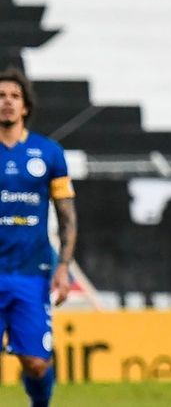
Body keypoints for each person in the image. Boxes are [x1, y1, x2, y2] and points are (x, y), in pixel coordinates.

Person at [0, 68, 77, 407]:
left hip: (31, 273)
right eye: (0, 96)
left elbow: (67, 216)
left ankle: (40, 403)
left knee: (35, 363)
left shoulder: (49, 153)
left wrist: (64, 267)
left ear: (25, 107)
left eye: (14, 96)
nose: (7, 103)